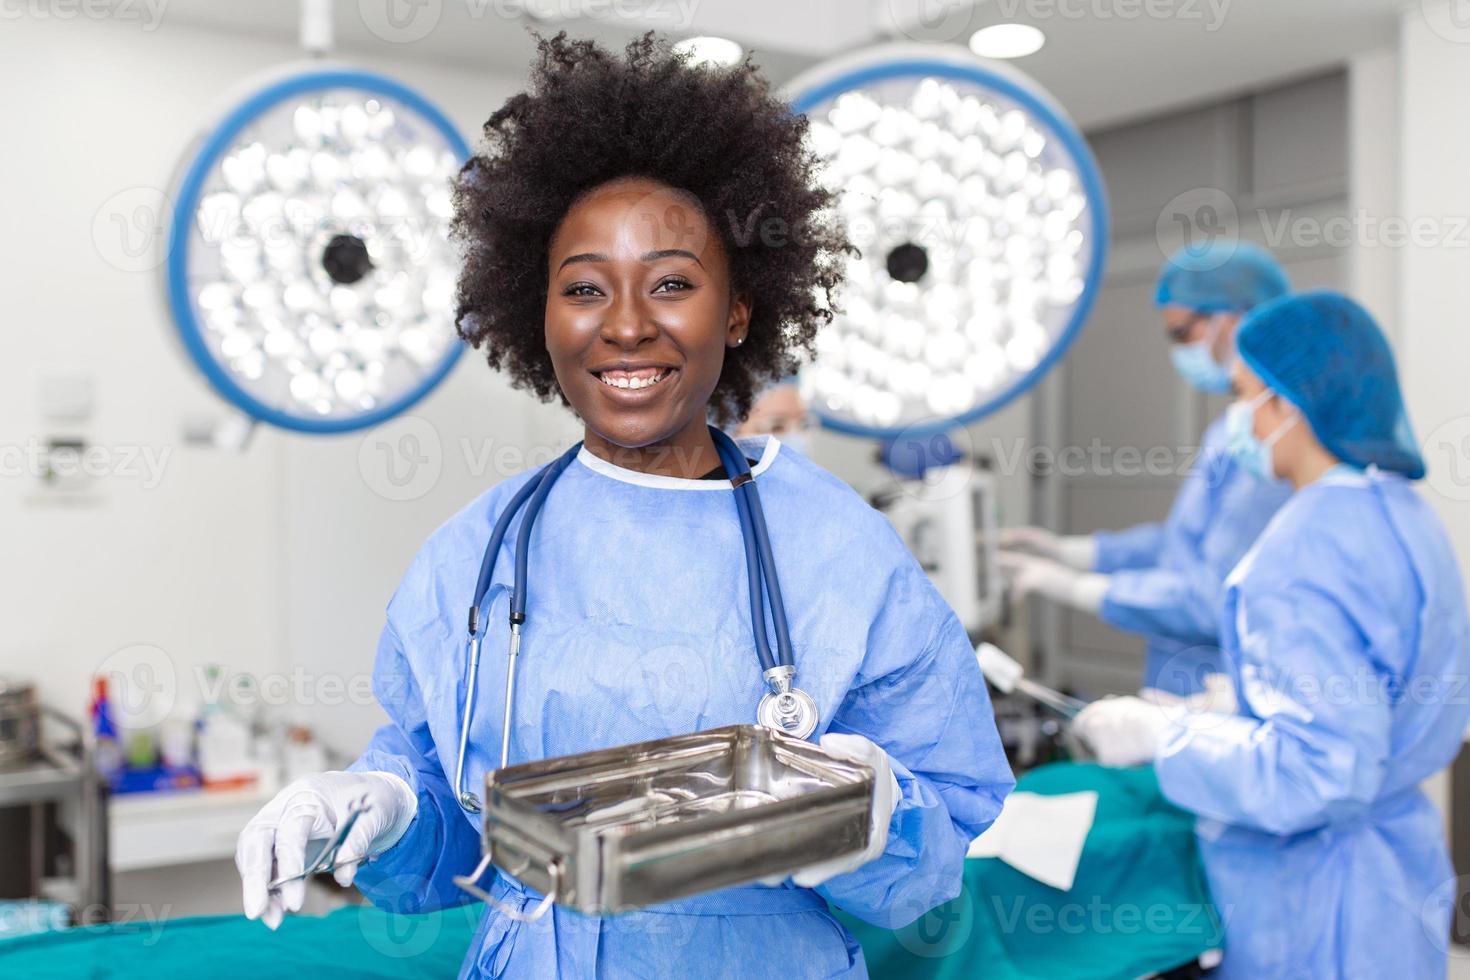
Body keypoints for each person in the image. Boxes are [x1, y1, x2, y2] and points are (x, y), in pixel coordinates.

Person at [234, 35, 1012, 979]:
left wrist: (879, 812)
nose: (628, 323)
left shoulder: (836, 550)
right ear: (540, 314)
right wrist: (381, 810)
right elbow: (461, 839)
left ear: (739, 311)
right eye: (585, 289)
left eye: (674, 283)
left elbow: (935, 858)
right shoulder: (477, 556)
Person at [1073, 290, 1470, 977]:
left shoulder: (1298, 554)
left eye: (1247, 397)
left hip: (1317, 908)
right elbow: (1381, 699)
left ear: (1291, 405)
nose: (1240, 423)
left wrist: (1165, 735)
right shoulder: (1405, 516)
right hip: (1395, 879)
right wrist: (1243, 707)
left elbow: (1320, 773)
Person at [999, 241, 1293, 695]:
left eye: (1181, 333)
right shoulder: (1234, 430)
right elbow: (1183, 546)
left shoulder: (1273, 443)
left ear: (1235, 319)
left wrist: (1080, 589)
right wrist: (1068, 552)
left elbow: (1214, 598)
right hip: (1182, 685)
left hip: (1218, 693)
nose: (1179, 349)